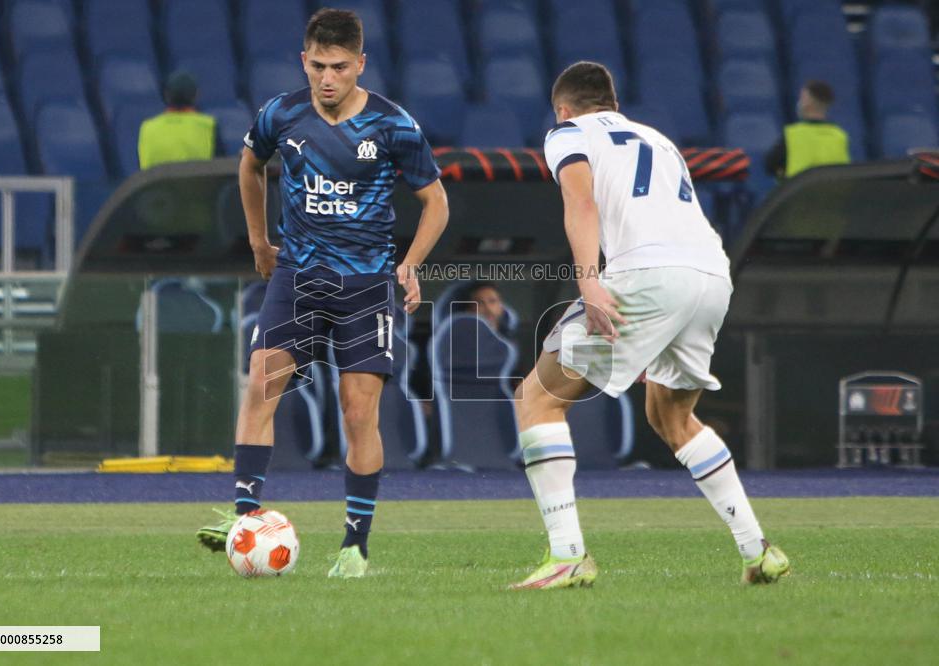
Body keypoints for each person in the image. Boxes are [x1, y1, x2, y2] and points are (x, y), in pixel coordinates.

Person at [510, 61, 790, 590]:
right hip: (710, 276)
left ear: (563, 109)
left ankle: (568, 556)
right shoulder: (659, 140)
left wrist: (589, 281)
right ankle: (758, 550)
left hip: (645, 275)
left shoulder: (567, 133)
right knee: (672, 416)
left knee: (537, 398)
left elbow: (580, 200)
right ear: (614, 105)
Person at [195, 8, 448, 578]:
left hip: (366, 284)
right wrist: (259, 241)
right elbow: (249, 166)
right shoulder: (281, 114)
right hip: (298, 276)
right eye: (317, 66)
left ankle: (355, 545)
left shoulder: (393, 125)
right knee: (261, 382)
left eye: (339, 67)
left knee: (358, 411)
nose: (327, 78)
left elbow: (436, 203)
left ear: (361, 64)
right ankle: (244, 519)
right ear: (303, 61)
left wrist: (409, 265)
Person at [764, 80, 850, 179]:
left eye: (802, 98)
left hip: (801, 189)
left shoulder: (793, 135)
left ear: (808, 102)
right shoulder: (840, 136)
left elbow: (769, 165)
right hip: (833, 189)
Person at [138, 70, 216, 170]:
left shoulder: (147, 128)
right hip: (197, 180)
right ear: (195, 96)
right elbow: (220, 168)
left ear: (166, 96)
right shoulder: (209, 126)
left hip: (158, 181)